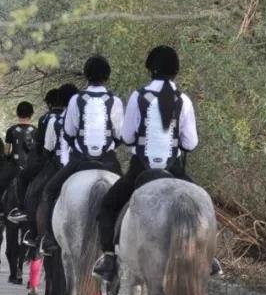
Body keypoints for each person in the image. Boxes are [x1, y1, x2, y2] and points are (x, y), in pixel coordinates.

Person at [91, 45, 221, 280]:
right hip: (173, 169)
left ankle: (109, 258)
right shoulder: (183, 100)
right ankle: (207, 256)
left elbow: (128, 137)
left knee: (108, 206)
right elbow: (190, 143)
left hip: (141, 169)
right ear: (176, 71)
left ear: (150, 69)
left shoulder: (138, 96)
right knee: (204, 204)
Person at [27, 56, 124, 253]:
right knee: (127, 197)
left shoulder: (76, 100)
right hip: (108, 162)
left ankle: (50, 240)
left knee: (49, 192)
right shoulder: (115, 101)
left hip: (80, 161)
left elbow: (69, 132)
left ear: (86, 76)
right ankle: (120, 245)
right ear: (107, 76)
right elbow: (121, 134)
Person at [14, 83, 78, 245]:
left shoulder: (49, 119)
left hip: (53, 162)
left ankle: (33, 228)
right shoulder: (81, 116)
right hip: (80, 162)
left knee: (40, 191)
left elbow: (45, 147)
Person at [0, 101, 36, 227]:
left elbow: (6, 151)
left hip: (15, 166)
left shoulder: (11, 130)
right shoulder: (36, 131)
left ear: (17, 114)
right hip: (30, 168)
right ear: (31, 114)